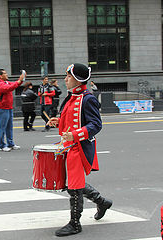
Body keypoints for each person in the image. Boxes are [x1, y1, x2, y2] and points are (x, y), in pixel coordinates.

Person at [48, 63, 112, 237]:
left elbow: (96, 125)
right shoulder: (71, 97)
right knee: (74, 184)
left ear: (77, 79)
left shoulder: (87, 98)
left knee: (74, 187)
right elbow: (70, 119)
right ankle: (102, 202)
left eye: (68, 76)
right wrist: (58, 121)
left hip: (79, 148)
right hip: (69, 146)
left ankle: (75, 223)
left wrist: (76, 135)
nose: (65, 79)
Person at [0, 68, 25, 152]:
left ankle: (10, 143)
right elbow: (10, 88)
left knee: (9, 127)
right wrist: (19, 80)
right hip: (3, 108)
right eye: (5, 73)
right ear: (0, 76)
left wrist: (21, 80)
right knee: (3, 127)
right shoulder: (0, 84)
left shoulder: (6, 82)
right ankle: (2, 145)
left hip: (9, 108)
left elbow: (14, 85)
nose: (7, 74)